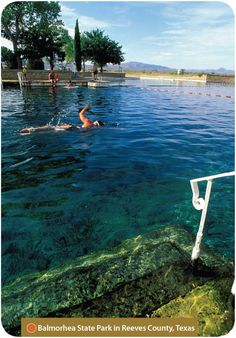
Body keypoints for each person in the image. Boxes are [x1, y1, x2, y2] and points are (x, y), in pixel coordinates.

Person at [20, 105, 104, 133]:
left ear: (96, 122)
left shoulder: (88, 122)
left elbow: (80, 114)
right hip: (74, 131)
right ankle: (33, 131)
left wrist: (85, 108)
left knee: (51, 127)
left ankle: (31, 129)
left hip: (72, 127)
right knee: (52, 130)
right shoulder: (92, 129)